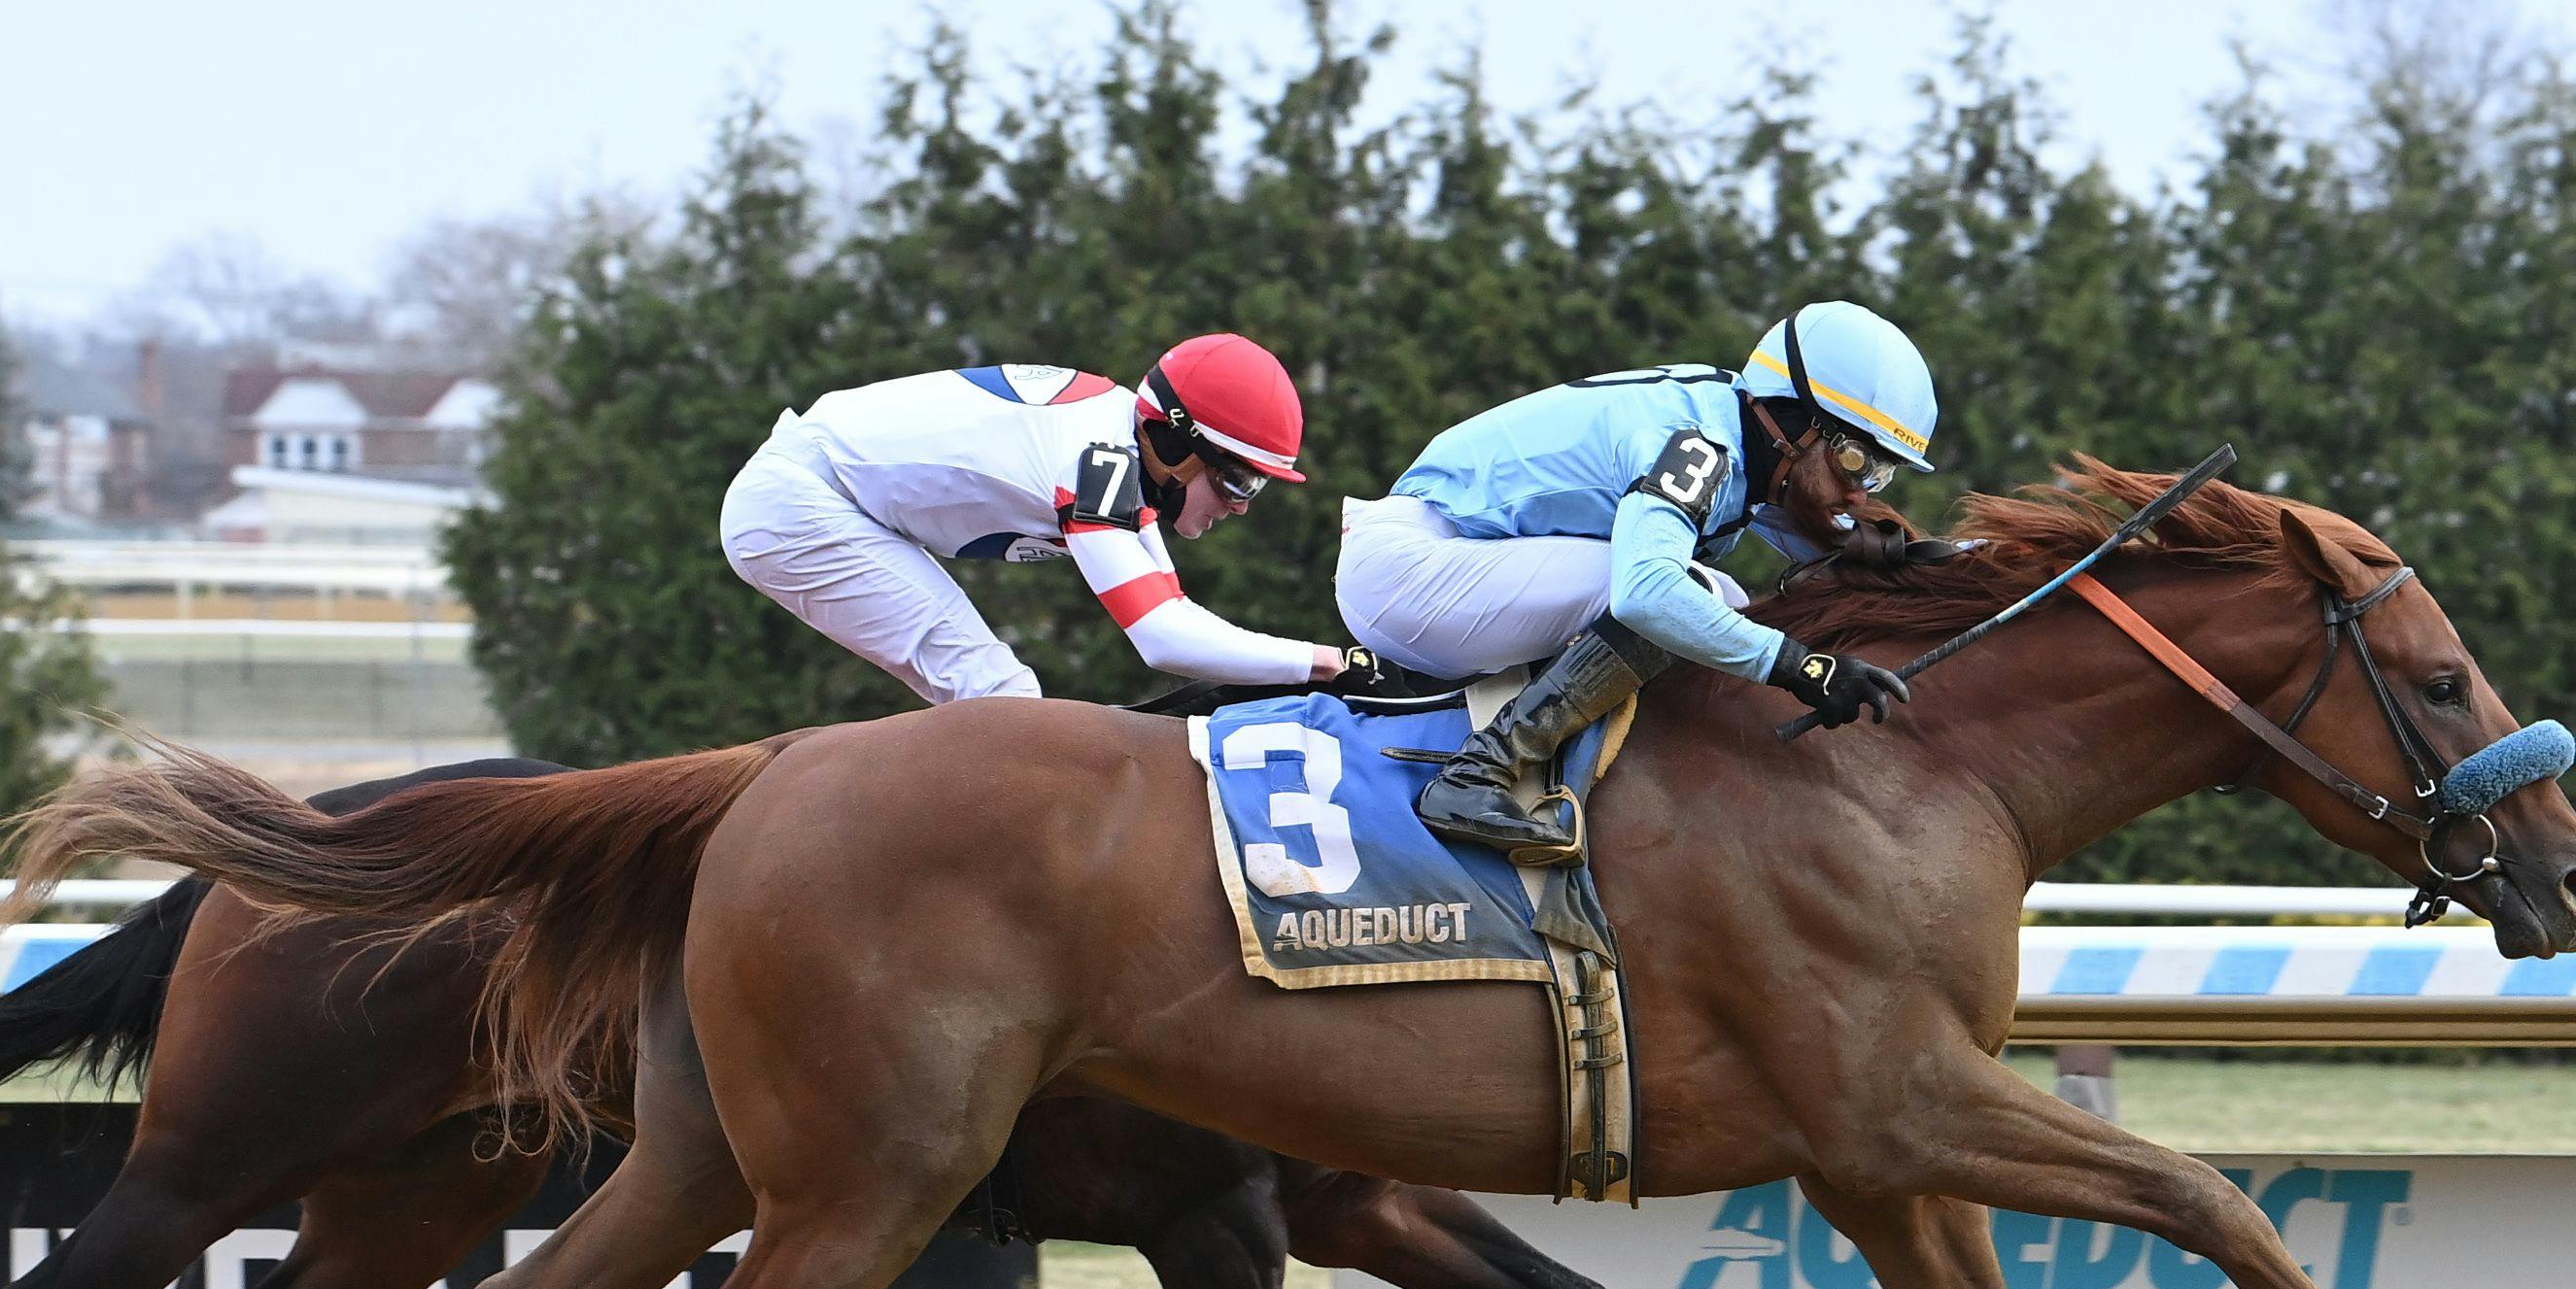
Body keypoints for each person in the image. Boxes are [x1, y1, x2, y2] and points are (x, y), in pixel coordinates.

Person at [1336, 303, 1937, 862]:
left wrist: (1934, 558)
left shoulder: (1729, 426)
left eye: (1880, 473)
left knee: (1718, 598)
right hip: (1412, 567)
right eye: (1855, 460)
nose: (1859, 492)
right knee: (1689, 596)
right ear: (1794, 425)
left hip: (1442, 561)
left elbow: (1817, 532)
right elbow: (1647, 595)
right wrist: (1803, 668)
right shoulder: (1697, 444)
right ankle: (1478, 774)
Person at [720, 333, 1344, 703]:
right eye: (1236, 479)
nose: (1239, 505)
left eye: (1256, 487)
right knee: (1003, 697)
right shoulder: (1099, 461)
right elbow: (1162, 642)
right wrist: (1322, 662)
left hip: (820, 498)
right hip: (799, 505)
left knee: (1001, 697)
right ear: (1176, 446)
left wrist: (1316, 665)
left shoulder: (1121, 448)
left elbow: (1179, 617)